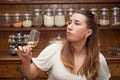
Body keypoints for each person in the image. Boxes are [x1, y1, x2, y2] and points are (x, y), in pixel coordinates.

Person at [15, 10, 111, 80]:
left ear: (88, 32)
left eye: (76, 23)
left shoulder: (98, 58)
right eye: (69, 22)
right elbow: (29, 75)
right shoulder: (53, 50)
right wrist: (26, 62)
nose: (69, 27)